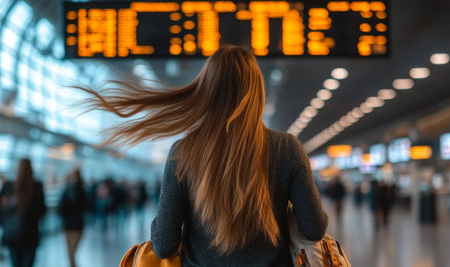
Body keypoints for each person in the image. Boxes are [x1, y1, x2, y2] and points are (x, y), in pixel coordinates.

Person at [79, 45, 328, 266]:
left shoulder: (184, 151)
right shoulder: (287, 148)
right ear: (256, 92)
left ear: (207, 91)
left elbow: (164, 244)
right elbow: (314, 229)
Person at [0, 158, 46, 267]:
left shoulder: (9, 186)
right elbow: (42, 211)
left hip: (13, 234)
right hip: (30, 234)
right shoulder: (37, 186)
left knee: (15, 263)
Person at [58, 169, 86, 267]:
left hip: (69, 224)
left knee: (70, 253)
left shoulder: (68, 190)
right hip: (76, 224)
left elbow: (61, 208)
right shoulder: (82, 190)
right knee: (71, 253)